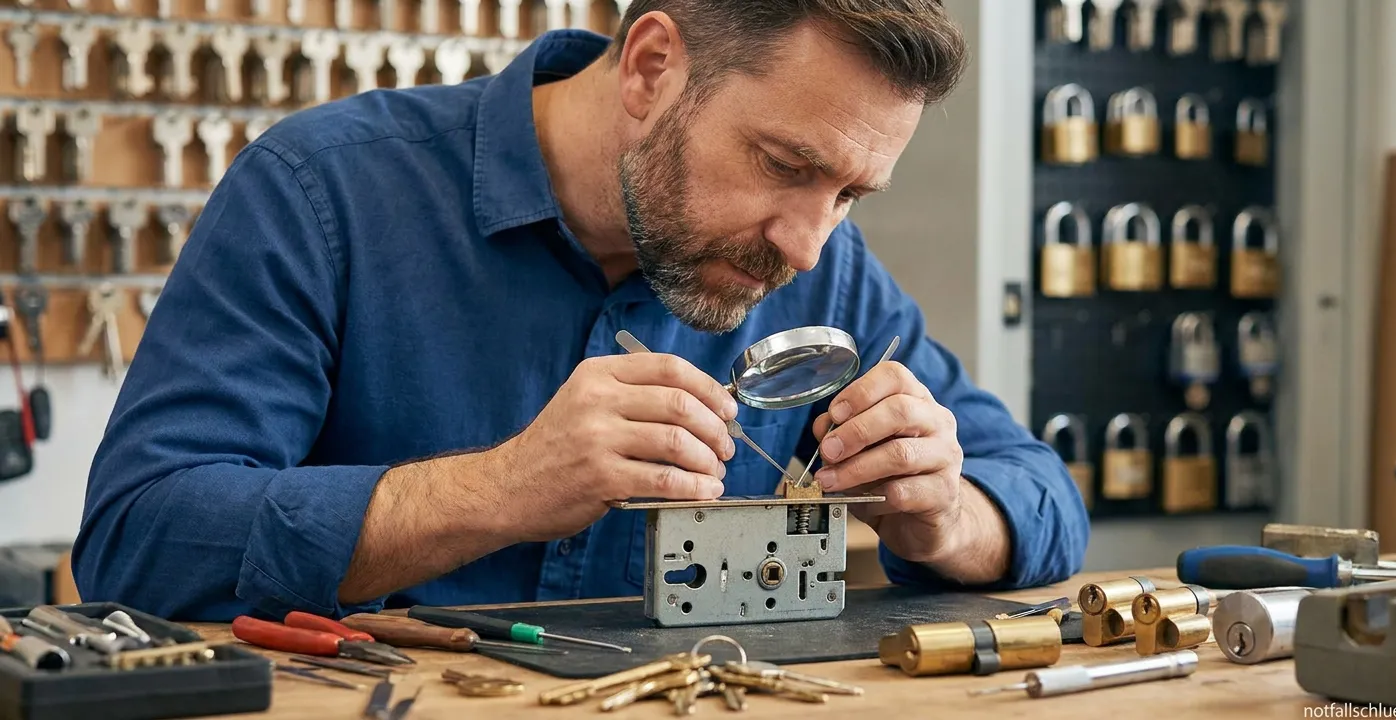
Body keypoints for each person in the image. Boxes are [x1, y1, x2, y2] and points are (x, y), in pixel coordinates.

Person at [73, 0, 1089, 622]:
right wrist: (499, 488)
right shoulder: (320, 195)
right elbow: (141, 542)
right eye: (786, 166)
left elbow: (1044, 497)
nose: (807, 243)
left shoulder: (822, 270)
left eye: (850, 195)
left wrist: (946, 515)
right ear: (652, 68)